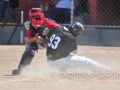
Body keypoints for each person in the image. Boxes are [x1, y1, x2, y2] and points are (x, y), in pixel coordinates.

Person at [45, 22, 113, 72]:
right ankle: (106, 70)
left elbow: (48, 39)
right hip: (57, 62)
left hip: (49, 61)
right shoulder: (71, 37)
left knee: (64, 55)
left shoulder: (59, 28)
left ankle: (62, 73)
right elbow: (75, 52)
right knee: (86, 61)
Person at [12, 8, 60, 75]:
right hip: (42, 43)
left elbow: (61, 30)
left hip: (54, 43)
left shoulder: (48, 23)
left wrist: (49, 39)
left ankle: (61, 69)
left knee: (57, 53)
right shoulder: (31, 26)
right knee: (29, 44)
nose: (35, 25)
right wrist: (35, 38)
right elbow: (27, 38)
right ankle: (22, 68)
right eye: (34, 19)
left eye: (37, 18)